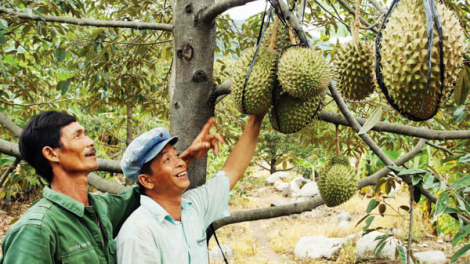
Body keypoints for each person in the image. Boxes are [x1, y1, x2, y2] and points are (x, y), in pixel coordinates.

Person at [0, 110, 221, 264]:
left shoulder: (100, 209)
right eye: (78, 136)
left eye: (85, 133)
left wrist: (183, 158)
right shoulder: (37, 229)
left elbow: (151, 186)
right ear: (51, 153)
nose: (90, 141)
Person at [115, 113, 264, 264]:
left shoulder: (192, 206)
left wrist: (256, 118)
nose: (180, 162)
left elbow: (232, 171)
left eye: (177, 155)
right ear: (147, 180)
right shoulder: (138, 234)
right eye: (167, 159)